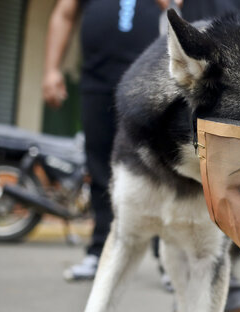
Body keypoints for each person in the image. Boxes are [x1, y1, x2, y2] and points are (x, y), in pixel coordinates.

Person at [42, 0, 164, 281]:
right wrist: (51, 70)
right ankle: (100, 253)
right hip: (97, 80)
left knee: (160, 168)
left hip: (151, 79)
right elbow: (63, 13)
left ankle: (168, 261)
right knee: (99, 168)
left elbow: (179, 8)